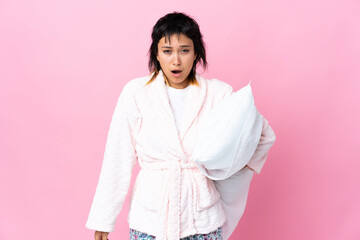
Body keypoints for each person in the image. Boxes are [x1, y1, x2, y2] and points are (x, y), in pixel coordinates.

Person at [85, 11, 276, 240]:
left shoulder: (218, 94)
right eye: (167, 51)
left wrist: (231, 168)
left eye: (184, 50)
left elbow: (261, 133)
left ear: (196, 53)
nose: (176, 60)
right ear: (156, 53)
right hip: (150, 220)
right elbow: (117, 157)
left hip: (202, 220)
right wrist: (103, 221)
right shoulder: (136, 93)